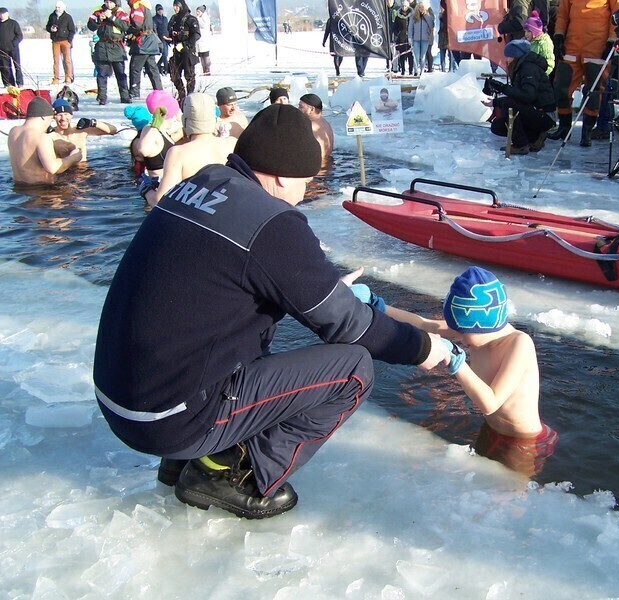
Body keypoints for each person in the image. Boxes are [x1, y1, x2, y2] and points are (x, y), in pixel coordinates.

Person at [93, 103, 450, 519]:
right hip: (167, 418)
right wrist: (422, 347)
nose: (307, 192)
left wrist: (324, 290)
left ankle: (184, 456)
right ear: (282, 175)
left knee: (247, 320)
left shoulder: (202, 183)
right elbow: (350, 328)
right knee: (354, 369)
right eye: (308, 181)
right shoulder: (273, 222)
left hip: (123, 397)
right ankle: (227, 473)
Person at [351, 265, 558, 478]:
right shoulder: (478, 334)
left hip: (524, 441)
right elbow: (425, 324)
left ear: (482, 326)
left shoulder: (519, 344)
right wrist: (378, 305)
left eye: (462, 333)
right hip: (490, 430)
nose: (457, 338)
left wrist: (458, 363)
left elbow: (491, 403)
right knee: (483, 485)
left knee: (511, 496)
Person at [139, 92, 236, 207]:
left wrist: (146, 190)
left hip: (195, 216)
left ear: (184, 120)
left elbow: (160, 201)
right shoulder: (232, 143)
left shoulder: (178, 153)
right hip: (227, 210)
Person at [548, 0, 619, 146]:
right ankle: (564, 128)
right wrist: (559, 34)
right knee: (561, 87)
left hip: (598, 45)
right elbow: (563, 13)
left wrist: (612, 40)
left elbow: (618, 14)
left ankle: (587, 132)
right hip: (572, 44)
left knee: (594, 92)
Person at [483, 39, 557, 154]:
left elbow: (528, 96)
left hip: (544, 114)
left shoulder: (529, 69)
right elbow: (519, 94)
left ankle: (521, 145)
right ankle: (535, 136)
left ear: (516, 55)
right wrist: (498, 92)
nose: (507, 60)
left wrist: (503, 89)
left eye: (509, 56)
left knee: (509, 105)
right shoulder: (521, 67)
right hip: (534, 111)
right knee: (498, 126)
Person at [7, 96, 81, 185]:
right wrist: (74, 157)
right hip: (43, 191)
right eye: (50, 119)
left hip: (18, 188)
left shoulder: (13, 131)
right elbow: (52, 168)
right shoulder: (42, 137)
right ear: (43, 117)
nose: (48, 124)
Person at [130, 89, 184, 180]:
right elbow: (143, 150)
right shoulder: (150, 129)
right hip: (158, 187)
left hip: (170, 186)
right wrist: (155, 125)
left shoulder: (164, 131)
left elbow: (180, 126)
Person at [87, 0, 131, 105]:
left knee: (120, 74)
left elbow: (126, 27)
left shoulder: (121, 13)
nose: (108, 4)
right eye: (106, 2)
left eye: (110, 2)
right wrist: (98, 20)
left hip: (116, 46)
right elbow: (90, 25)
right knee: (102, 74)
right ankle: (102, 97)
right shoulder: (98, 13)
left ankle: (125, 96)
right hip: (103, 46)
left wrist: (112, 18)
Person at [49, 98, 118, 162]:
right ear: (54, 117)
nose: (63, 118)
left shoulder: (80, 130)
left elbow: (113, 130)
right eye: (59, 115)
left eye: (66, 114)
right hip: (63, 171)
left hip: (83, 170)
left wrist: (93, 123)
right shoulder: (50, 135)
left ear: (71, 115)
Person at [127, 0, 163, 99]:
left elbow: (137, 24)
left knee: (135, 68)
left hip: (142, 42)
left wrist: (128, 29)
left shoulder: (137, 6)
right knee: (152, 69)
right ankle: (159, 90)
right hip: (150, 41)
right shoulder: (145, 6)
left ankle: (134, 91)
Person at [167, 0, 200, 102]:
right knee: (174, 72)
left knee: (189, 75)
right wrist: (169, 36)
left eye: (177, 6)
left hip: (188, 51)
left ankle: (190, 97)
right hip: (177, 50)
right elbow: (169, 31)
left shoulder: (191, 19)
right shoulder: (174, 19)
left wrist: (186, 44)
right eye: (174, 6)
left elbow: (196, 34)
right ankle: (182, 94)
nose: (175, 8)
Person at [45, 1, 75, 85]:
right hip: (55, 41)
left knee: (67, 60)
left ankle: (68, 77)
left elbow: (72, 30)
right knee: (56, 60)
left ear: (63, 8)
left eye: (59, 7)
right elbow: (47, 26)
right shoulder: (52, 16)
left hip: (65, 41)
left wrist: (69, 40)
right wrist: (51, 29)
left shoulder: (68, 17)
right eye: (56, 7)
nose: (57, 9)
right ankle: (56, 78)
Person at [298, 93, 334, 162]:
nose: (298, 109)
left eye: (301, 107)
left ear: (312, 109)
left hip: (315, 168)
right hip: (329, 165)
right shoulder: (326, 124)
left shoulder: (309, 126)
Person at [408, 0, 434, 77]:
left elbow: (431, 25)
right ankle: (416, 71)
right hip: (416, 39)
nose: (421, 9)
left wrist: (425, 15)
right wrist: (410, 37)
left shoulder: (428, 16)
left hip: (425, 39)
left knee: (423, 56)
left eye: (422, 7)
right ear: (417, 8)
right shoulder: (414, 17)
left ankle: (422, 70)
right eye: (420, 7)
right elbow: (410, 27)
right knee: (416, 56)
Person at [524, 10, 555, 75]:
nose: (526, 34)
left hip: (539, 79)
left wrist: (541, 76)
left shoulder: (544, 43)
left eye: (529, 31)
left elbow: (549, 64)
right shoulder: (527, 42)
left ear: (535, 32)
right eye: (525, 31)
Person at [0, 8, 24, 87]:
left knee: (17, 66)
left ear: (7, 14)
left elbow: (19, 35)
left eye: (3, 13)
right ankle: (8, 83)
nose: (1, 15)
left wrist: (14, 43)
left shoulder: (13, 23)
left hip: (13, 49)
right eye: (0, 13)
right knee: (5, 68)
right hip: (2, 50)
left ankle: (19, 82)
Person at [394, 1, 413, 75]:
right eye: (403, 6)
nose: (404, 8)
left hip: (409, 37)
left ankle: (411, 70)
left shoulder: (411, 16)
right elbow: (395, 27)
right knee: (402, 55)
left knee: (410, 55)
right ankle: (403, 70)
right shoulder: (398, 16)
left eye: (405, 6)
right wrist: (397, 34)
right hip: (401, 38)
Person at [153, 3, 169, 75]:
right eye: (158, 10)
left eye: (161, 9)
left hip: (166, 38)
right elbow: (154, 29)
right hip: (160, 39)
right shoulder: (154, 19)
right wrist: (157, 38)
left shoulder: (165, 18)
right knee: (164, 54)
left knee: (166, 54)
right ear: (156, 11)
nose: (160, 11)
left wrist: (169, 37)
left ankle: (157, 66)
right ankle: (166, 69)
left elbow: (167, 28)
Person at [195, 4, 211, 76]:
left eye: (198, 11)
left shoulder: (205, 18)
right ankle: (204, 69)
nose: (197, 13)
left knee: (205, 55)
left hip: (204, 40)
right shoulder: (198, 18)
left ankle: (207, 69)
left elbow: (203, 25)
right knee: (201, 56)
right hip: (199, 40)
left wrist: (198, 18)